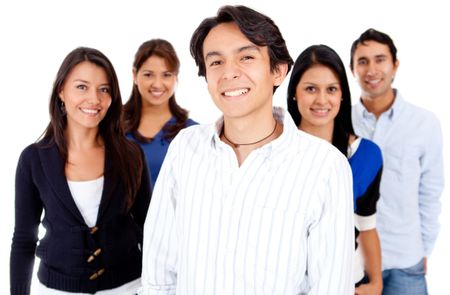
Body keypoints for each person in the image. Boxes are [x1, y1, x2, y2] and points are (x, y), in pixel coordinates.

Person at [139, 5, 354, 295]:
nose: (229, 73)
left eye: (246, 57)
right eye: (216, 62)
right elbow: (159, 272)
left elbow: (329, 287)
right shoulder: (185, 150)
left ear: (278, 71)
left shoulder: (325, 166)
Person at [10, 47, 152, 295]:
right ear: (61, 91)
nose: (94, 99)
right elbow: (24, 240)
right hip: (57, 288)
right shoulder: (33, 159)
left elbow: (151, 230)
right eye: (82, 87)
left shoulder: (131, 154)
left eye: (104, 89)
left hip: (129, 287)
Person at [350, 28, 444, 295]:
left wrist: (424, 248)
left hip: (405, 260)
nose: (372, 69)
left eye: (380, 59)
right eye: (363, 61)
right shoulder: (340, 120)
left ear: (395, 65)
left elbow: (430, 192)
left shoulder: (424, 123)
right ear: (352, 68)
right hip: (355, 263)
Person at [287, 44, 383, 294]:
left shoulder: (367, 156)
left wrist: (376, 282)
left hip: (347, 284)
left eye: (331, 89)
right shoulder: (271, 152)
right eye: (310, 89)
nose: (321, 100)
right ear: (294, 93)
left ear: (342, 94)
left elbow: (366, 223)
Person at [124, 39, 198, 186]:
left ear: (176, 77)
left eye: (166, 75)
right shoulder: (112, 125)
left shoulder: (193, 133)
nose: (157, 84)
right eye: (148, 75)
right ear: (134, 75)